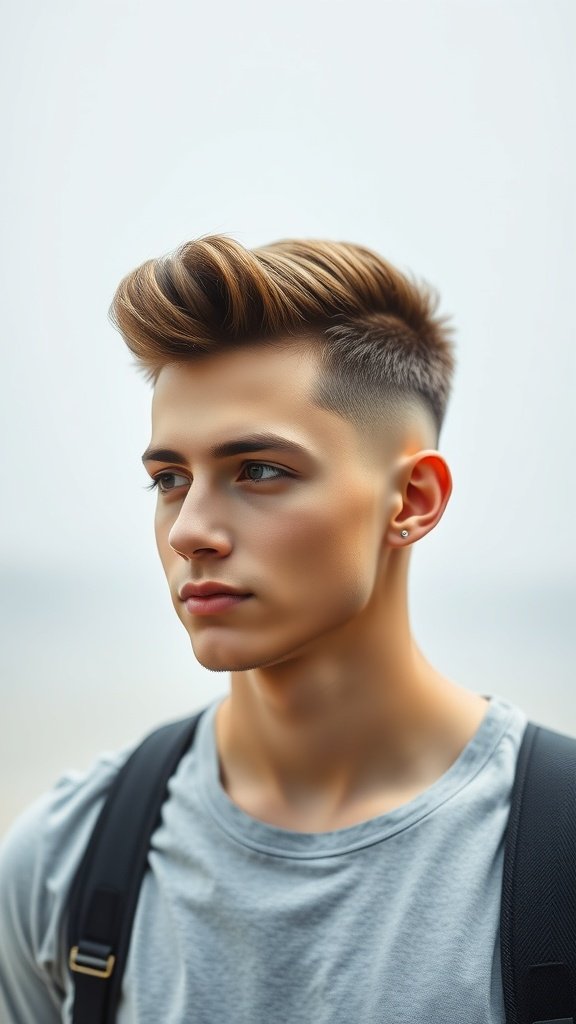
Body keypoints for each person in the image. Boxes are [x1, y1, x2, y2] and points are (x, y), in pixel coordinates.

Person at [0, 235, 527, 1022]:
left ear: (412, 500)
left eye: (260, 470)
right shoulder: (63, 863)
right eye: (170, 478)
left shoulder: (549, 853)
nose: (191, 531)